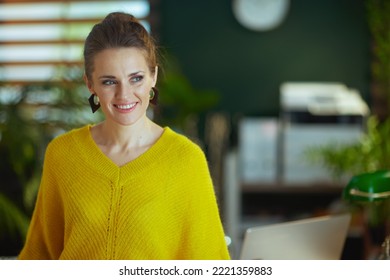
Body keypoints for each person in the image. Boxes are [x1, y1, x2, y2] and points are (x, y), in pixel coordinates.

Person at [18, 12, 230, 260]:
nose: (124, 95)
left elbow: (210, 264)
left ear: (153, 76)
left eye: (136, 79)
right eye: (109, 82)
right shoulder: (62, 154)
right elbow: (38, 257)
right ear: (90, 84)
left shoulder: (186, 160)